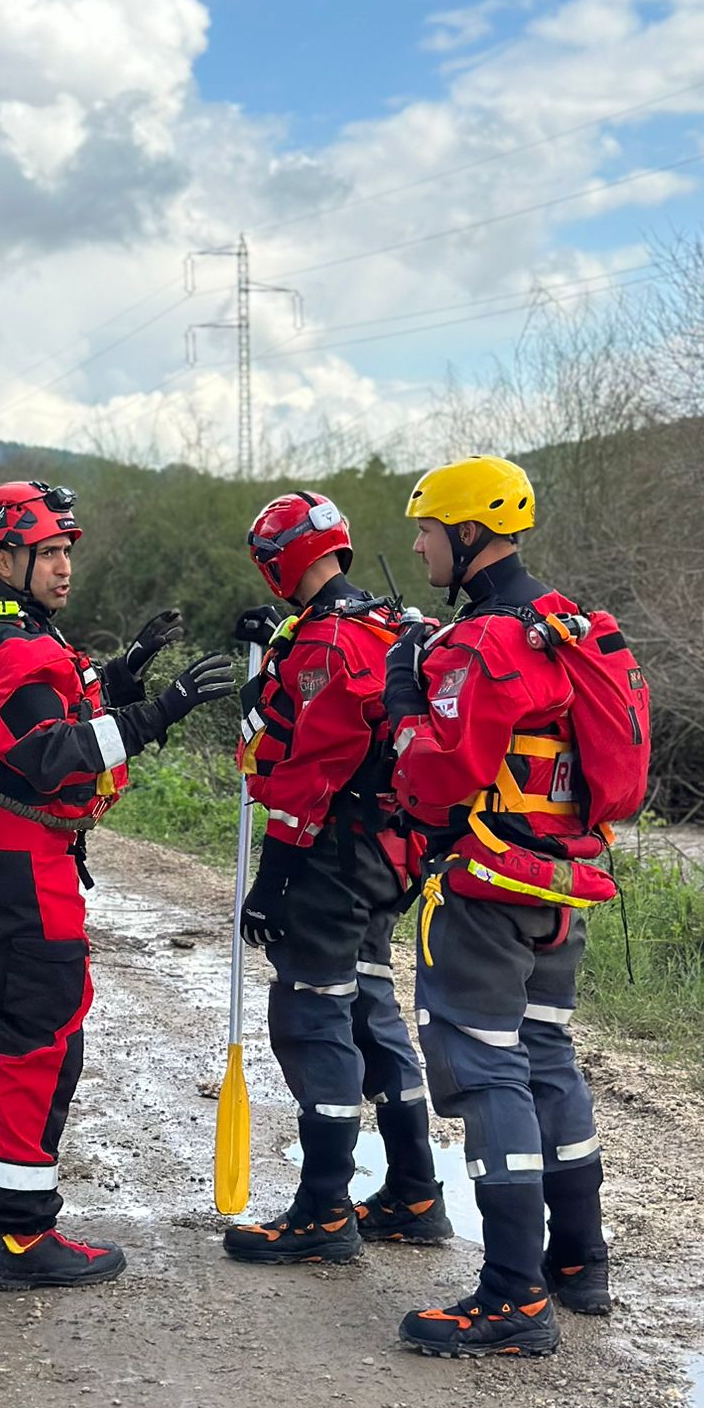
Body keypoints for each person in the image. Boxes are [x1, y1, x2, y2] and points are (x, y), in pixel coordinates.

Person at [0, 479, 234, 1290]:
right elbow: (48, 752)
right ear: (1, 557)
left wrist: (125, 674)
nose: (63, 566)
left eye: (67, 550)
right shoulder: (12, 645)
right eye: (46, 553)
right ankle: (25, 1237)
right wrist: (159, 713)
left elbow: (33, 713)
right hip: (15, 875)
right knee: (39, 1046)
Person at [385, 455, 638, 1359]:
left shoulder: (485, 644)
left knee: (490, 1070)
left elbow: (431, 780)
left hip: (489, 888)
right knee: (544, 1057)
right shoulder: (569, 625)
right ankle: (580, 1263)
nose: (417, 546)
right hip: (561, 887)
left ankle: (510, 1294)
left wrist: (407, 693)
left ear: (465, 534)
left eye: (425, 531)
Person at [222, 491, 449, 1269]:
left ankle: (322, 1210)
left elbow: (306, 775)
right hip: (390, 857)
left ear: (277, 559)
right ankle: (416, 1193)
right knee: (371, 1010)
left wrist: (271, 881)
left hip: (330, 854)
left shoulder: (324, 644)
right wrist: (277, 639)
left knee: (312, 1017)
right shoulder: (384, 624)